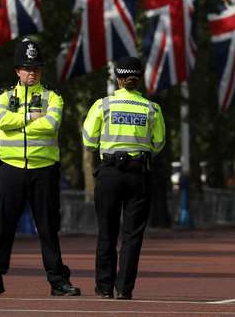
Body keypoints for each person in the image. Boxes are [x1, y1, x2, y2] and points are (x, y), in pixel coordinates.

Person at [0, 38, 80, 297]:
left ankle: (58, 280)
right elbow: (1, 121)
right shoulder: (3, 95)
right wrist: (31, 117)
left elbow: (51, 124)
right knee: (3, 225)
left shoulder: (53, 96)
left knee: (48, 227)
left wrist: (18, 121)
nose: (33, 73)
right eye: (28, 68)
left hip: (44, 169)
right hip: (11, 169)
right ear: (17, 70)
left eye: (37, 68)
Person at [82, 56, 166, 300]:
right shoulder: (151, 108)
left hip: (109, 174)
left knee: (106, 232)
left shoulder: (103, 105)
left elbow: (88, 140)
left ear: (117, 79)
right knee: (132, 236)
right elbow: (158, 143)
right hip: (138, 175)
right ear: (139, 79)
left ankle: (105, 287)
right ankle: (124, 288)